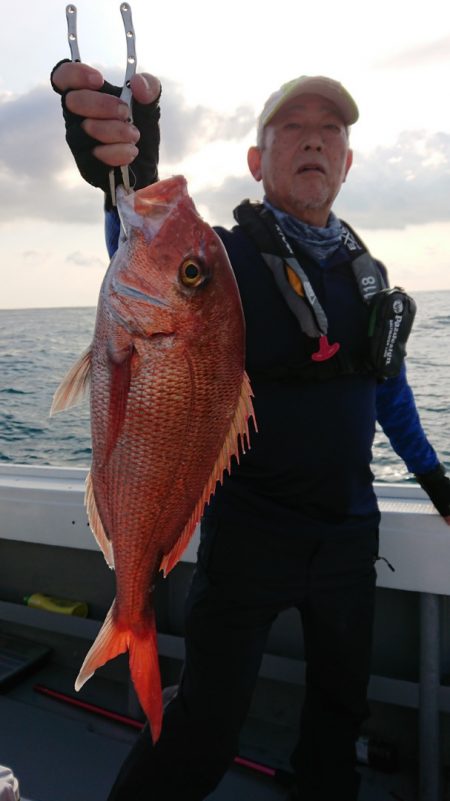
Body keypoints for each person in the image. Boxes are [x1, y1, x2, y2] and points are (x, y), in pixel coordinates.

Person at [51, 61, 450, 801]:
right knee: (205, 722)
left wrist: (434, 477)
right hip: (249, 533)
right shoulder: (227, 256)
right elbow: (152, 263)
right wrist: (132, 169)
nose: (315, 142)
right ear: (257, 161)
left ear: (348, 161)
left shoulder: (370, 274)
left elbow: (387, 390)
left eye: (331, 131)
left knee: (339, 716)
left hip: (348, 533)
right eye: (292, 129)